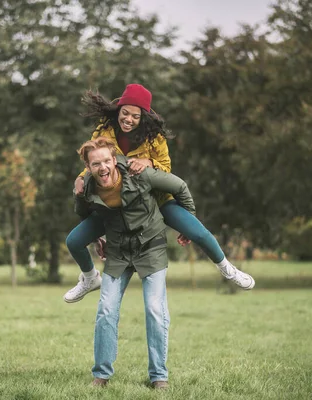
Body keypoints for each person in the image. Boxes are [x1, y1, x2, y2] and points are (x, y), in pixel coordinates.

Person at [64, 83, 254, 303]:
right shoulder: (104, 130)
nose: (128, 119)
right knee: (74, 241)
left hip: (154, 199)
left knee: (199, 233)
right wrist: (80, 178)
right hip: (117, 205)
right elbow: (95, 161)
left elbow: (166, 169)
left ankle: (228, 269)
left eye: (135, 116)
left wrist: (148, 161)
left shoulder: (154, 137)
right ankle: (89, 278)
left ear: (142, 117)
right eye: (125, 113)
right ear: (119, 110)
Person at [75, 136, 195, 388]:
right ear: (88, 166)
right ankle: (101, 375)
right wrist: (98, 236)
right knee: (106, 310)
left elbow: (180, 186)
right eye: (95, 164)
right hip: (118, 252)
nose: (103, 168)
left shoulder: (138, 173)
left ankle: (159, 376)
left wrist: (188, 223)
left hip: (150, 249)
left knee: (154, 310)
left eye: (107, 161)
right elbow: (85, 213)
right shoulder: (86, 186)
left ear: (113, 159)